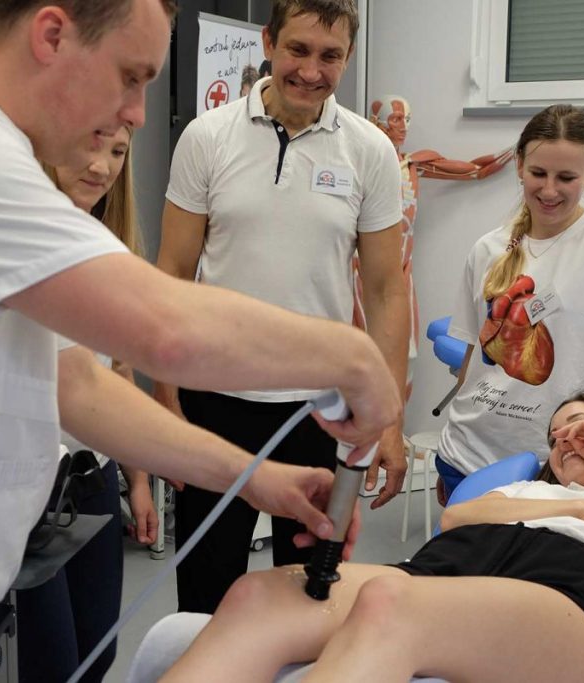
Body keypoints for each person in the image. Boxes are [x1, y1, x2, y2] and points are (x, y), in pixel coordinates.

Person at [0, 0, 402, 680]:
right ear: (52, 35)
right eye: (130, 76)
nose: (136, 112)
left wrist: (258, 480)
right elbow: (163, 328)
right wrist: (354, 357)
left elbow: (77, 383)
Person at [160, 391, 584, 683]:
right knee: (257, 594)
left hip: (572, 596)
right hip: (444, 569)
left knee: (390, 606)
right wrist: (581, 512)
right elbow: (455, 520)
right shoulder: (531, 491)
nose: (563, 440)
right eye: (555, 437)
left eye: (581, 427)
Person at [155, 0, 409, 615]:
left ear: (348, 57)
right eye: (298, 49)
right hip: (215, 399)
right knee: (206, 596)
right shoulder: (206, 137)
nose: (311, 71)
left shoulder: (370, 151)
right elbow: (173, 273)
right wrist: (165, 399)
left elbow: (385, 291)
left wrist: (390, 420)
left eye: (330, 56)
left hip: (320, 411)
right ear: (268, 42)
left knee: (305, 594)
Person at [434, 103, 584, 504]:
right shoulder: (487, 248)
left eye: (566, 177)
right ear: (519, 165)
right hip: (468, 455)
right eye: (538, 173)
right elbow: (473, 357)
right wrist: (452, 451)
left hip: (563, 465)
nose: (549, 190)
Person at [15, 126, 157, 683]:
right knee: (52, 662)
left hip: (93, 475)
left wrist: (137, 480)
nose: (102, 166)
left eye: (118, 152)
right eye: (90, 146)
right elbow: (78, 387)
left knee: (99, 651)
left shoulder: (108, 247)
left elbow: (118, 371)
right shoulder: (19, 243)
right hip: (31, 489)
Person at [354, 94, 513, 397]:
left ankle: (395, 422)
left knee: (406, 353)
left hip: (400, 271)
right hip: (361, 271)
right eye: (396, 118)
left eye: (407, 119)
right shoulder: (359, 162)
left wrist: (518, 151)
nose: (403, 126)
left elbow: (474, 169)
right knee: (362, 352)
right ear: (376, 121)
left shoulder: (412, 165)